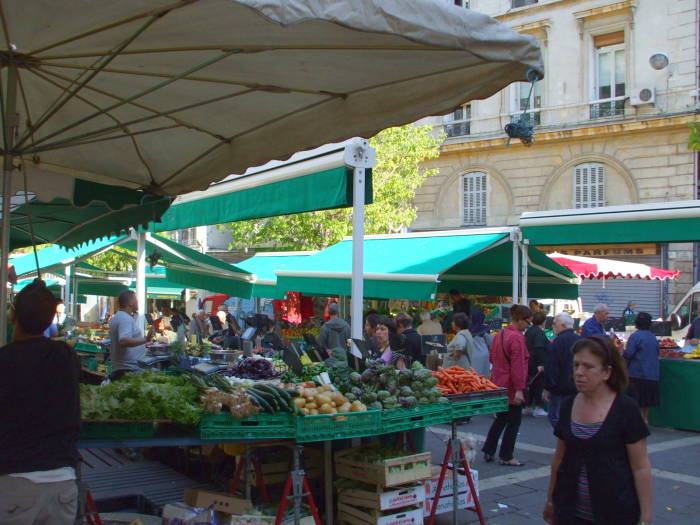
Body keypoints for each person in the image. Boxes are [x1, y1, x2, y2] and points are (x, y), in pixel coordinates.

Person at [543, 336, 652, 525]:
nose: (579, 372)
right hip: (569, 513)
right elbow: (559, 458)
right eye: (576, 365)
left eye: (588, 367)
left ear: (607, 372)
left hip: (615, 514)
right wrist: (551, 500)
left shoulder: (626, 409)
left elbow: (640, 467)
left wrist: (646, 516)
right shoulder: (568, 405)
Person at [0, 279, 81, 525]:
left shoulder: (5, 360)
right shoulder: (67, 357)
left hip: (17, 483)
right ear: (49, 321)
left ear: (12, 316)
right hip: (63, 484)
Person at [482, 304, 531, 467]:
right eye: (528, 322)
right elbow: (518, 366)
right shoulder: (517, 338)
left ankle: (489, 450)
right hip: (511, 385)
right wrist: (519, 389)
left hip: (499, 382)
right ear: (520, 320)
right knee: (514, 422)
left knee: (501, 419)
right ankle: (506, 455)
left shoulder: (500, 335)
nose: (528, 325)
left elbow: (491, 358)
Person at [543, 312, 581, 428]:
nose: (553, 327)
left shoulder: (558, 342)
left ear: (563, 325)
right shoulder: (580, 340)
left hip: (560, 387)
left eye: (555, 324)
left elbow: (551, 366)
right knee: (572, 416)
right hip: (576, 385)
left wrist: (548, 387)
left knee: (556, 417)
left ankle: (566, 440)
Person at [623, 312, 660, 424]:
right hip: (652, 375)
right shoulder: (653, 337)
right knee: (646, 402)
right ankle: (645, 420)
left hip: (637, 374)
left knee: (637, 401)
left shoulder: (636, 336)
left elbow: (628, 354)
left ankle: (638, 423)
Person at [110, 290, 155, 381]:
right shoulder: (124, 318)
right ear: (130, 302)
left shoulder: (119, 316)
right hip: (128, 370)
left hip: (125, 368)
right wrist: (146, 339)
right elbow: (124, 341)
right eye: (136, 300)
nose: (138, 303)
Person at [524, 310, 549, 418]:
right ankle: (538, 407)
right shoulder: (539, 333)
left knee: (531, 384)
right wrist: (541, 363)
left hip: (529, 362)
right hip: (536, 363)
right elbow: (539, 348)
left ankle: (528, 406)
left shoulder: (529, 331)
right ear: (543, 321)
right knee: (538, 385)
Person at [468, 308, 492, 377]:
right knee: (483, 378)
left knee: (473, 377)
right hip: (483, 355)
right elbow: (491, 343)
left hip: (471, 355)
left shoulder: (468, 329)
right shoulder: (485, 329)